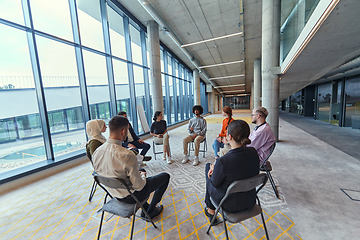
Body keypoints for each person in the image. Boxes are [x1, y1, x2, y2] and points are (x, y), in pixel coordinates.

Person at [92, 115, 170, 221]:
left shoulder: (97, 152)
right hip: (131, 196)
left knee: (142, 170)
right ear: (123, 131)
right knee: (165, 176)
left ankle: (146, 208)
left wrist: (140, 173)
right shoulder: (127, 154)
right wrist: (142, 177)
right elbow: (139, 187)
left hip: (114, 193)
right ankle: (150, 211)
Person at [204, 120, 260, 225]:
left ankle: (210, 209)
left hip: (229, 205)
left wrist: (214, 170)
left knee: (208, 169)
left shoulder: (223, 161)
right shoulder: (253, 152)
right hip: (250, 200)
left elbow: (215, 184)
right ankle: (210, 209)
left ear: (229, 137)